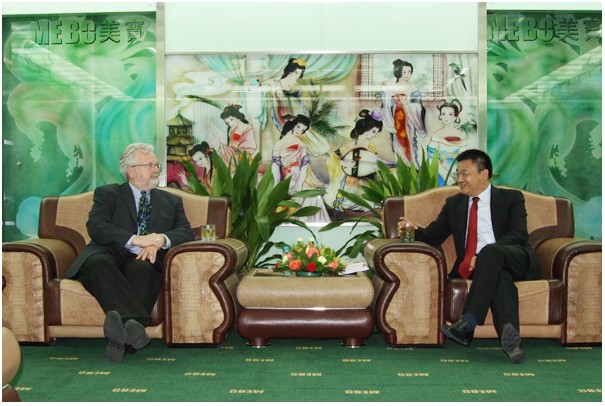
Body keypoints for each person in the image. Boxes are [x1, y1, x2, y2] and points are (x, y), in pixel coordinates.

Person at [397, 149, 539, 363]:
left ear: (484, 174)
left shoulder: (511, 198)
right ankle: (511, 338)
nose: (459, 179)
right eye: (458, 174)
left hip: (514, 257)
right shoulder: (454, 204)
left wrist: (485, 255)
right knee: (500, 277)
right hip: (480, 269)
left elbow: (519, 235)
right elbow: (435, 234)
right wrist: (413, 230)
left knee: (490, 252)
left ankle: (468, 321)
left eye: (465, 173)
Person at [66, 143, 195, 363]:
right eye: (150, 165)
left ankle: (120, 340)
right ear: (131, 171)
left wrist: (159, 240)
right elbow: (96, 226)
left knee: (145, 270)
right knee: (99, 264)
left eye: (156, 165)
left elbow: (185, 232)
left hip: (145, 258)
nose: (156, 169)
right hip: (106, 253)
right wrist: (135, 239)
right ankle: (132, 329)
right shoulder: (108, 194)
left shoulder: (171, 201)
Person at [325, 109, 387, 213]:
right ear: (366, 129)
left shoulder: (370, 146)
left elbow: (374, 162)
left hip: (363, 180)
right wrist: (345, 163)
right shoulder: (348, 145)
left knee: (367, 202)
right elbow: (332, 159)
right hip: (348, 179)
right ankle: (343, 200)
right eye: (373, 131)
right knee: (347, 193)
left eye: (376, 132)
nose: (374, 135)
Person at [271, 114, 330, 222]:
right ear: (293, 124)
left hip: (300, 177)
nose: (299, 131)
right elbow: (275, 169)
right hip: (288, 178)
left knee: (313, 196)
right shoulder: (278, 145)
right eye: (298, 127)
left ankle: (312, 224)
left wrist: (299, 184)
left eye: (303, 130)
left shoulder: (300, 143)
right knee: (308, 196)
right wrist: (276, 186)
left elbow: (304, 166)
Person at [380, 59, 427, 167]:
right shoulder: (390, 87)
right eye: (404, 71)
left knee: (410, 143)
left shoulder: (413, 88)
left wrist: (407, 105)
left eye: (409, 71)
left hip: (409, 119)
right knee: (398, 144)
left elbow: (417, 106)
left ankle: (412, 166)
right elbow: (386, 105)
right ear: (398, 72)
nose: (407, 74)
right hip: (396, 118)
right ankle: (401, 166)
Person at [427, 99, 467, 185]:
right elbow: (431, 159)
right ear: (440, 116)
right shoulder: (436, 136)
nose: (446, 117)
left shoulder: (462, 135)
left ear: (456, 116)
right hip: (440, 172)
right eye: (443, 114)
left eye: (450, 114)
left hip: (457, 172)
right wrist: (444, 173)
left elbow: (464, 157)